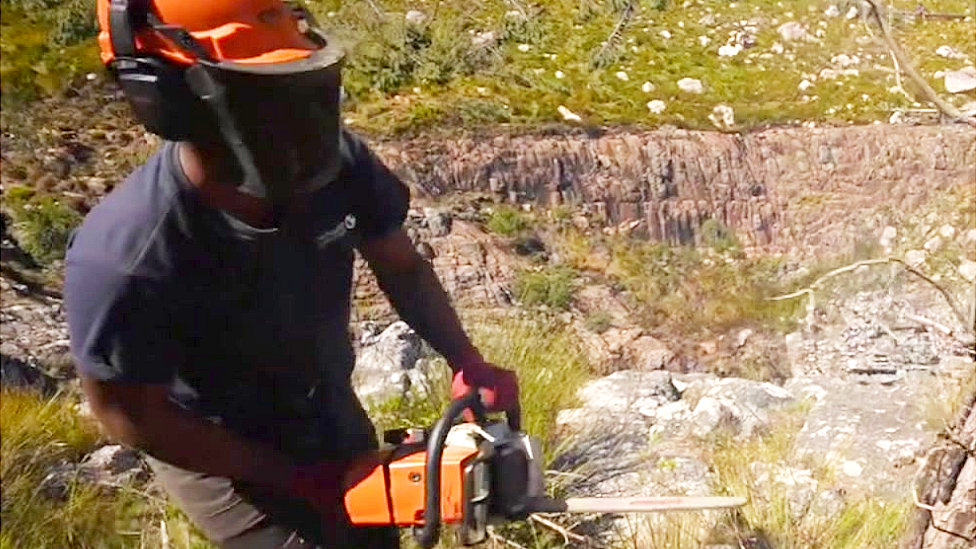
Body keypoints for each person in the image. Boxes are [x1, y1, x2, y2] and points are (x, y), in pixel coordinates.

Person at [63, 1, 519, 548]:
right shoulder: (128, 254)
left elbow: (402, 267)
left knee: (372, 534)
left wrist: (465, 360)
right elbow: (131, 418)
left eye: (301, 88)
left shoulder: (337, 166)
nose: (299, 122)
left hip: (321, 400)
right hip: (215, 447)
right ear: (171, 101)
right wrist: (299, 478)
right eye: (265, 96)